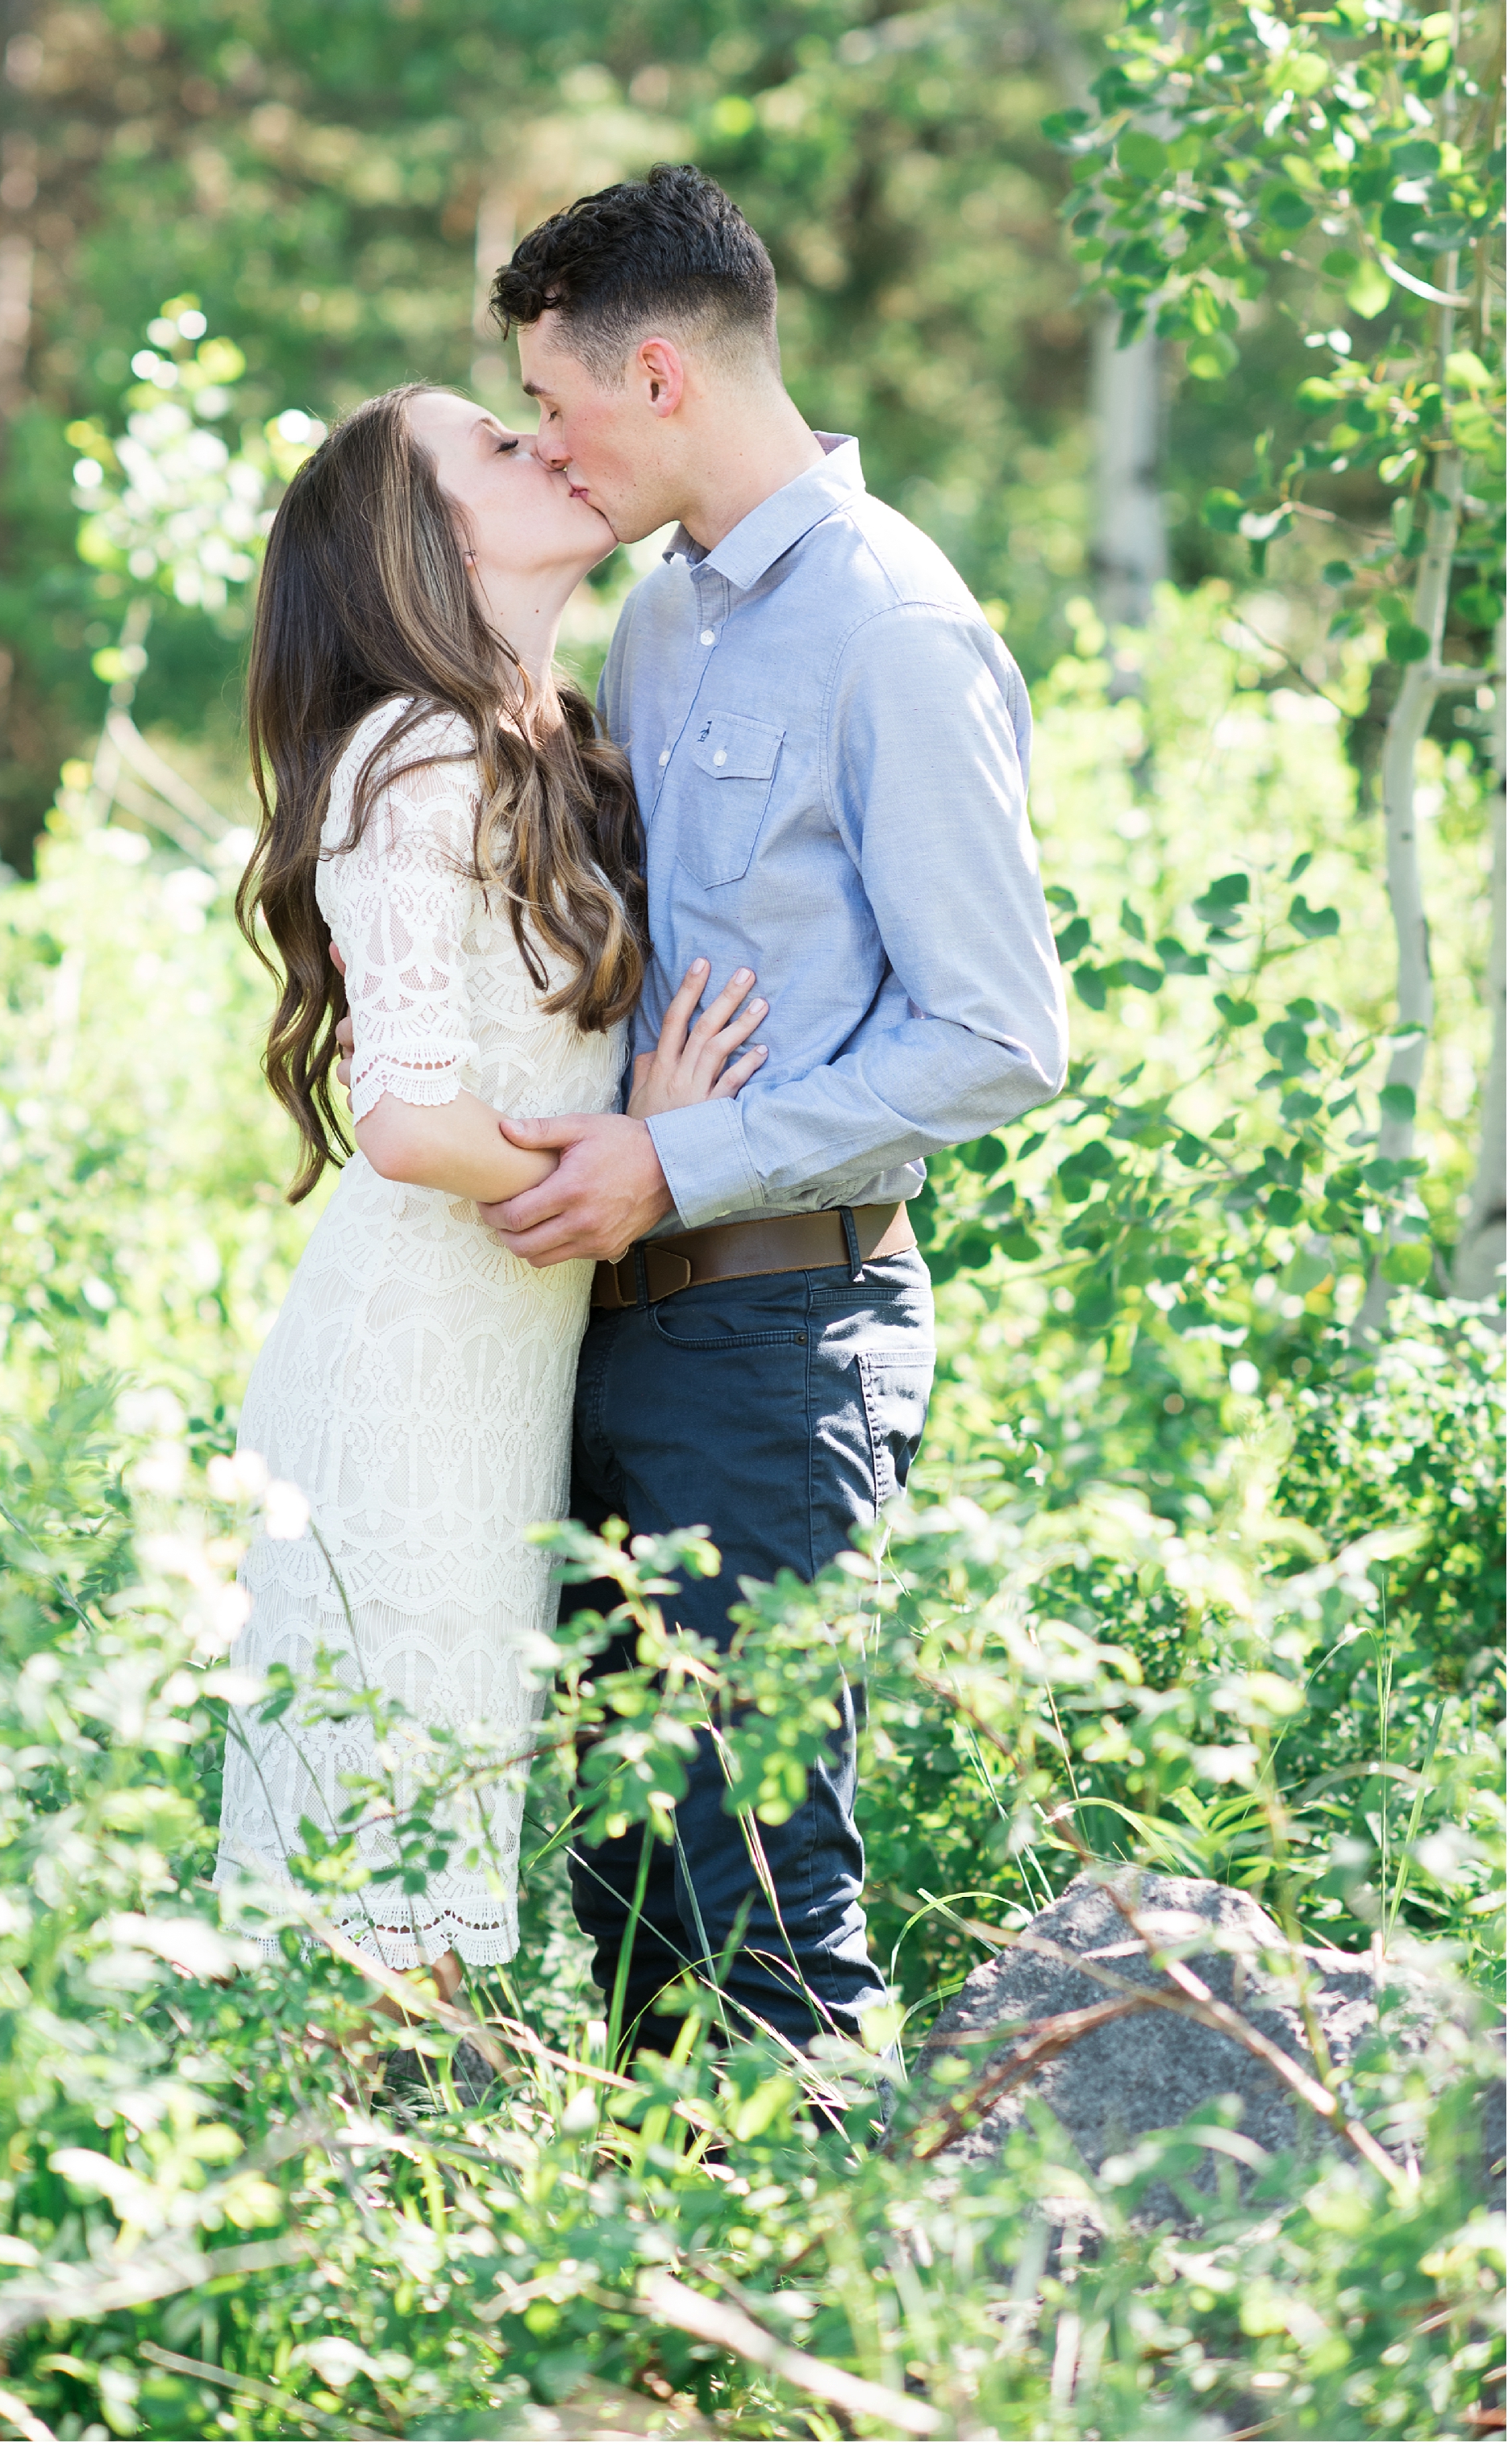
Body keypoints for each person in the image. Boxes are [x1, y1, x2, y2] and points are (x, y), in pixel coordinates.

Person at [474, 165, 1070, 2066]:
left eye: (556, 409)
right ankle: (668, 2333)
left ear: (656, 373)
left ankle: (838, 2330)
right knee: (628, 1872)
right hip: (615, 1320)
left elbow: (996, 1034)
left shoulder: (891, 624)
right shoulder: (662, 623)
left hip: (781, 1328)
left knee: (755, 1880)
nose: (549, 452)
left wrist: (678, 1157)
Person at [216, 381, 767, 2035]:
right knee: (389, 1866)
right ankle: (316, 2246)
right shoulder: (413, 751)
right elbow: (404, 1119)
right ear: (419, 544)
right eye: (497, 447)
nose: (548, 448)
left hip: (494, 1364)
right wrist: (627, 1166)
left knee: (437, 1825)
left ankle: (368, 2241)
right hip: (404, 1381)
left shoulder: (542, 726)